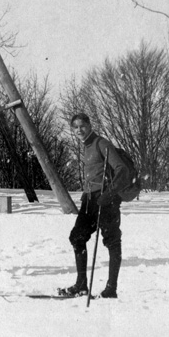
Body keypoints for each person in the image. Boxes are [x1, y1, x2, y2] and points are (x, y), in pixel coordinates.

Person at [60, 113, 131, 299]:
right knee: (77, 237)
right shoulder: (86, 147)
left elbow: (122, 170)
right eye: (75, 127)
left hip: (107, 199)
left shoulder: (102, 144)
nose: (79, 130)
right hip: (90, 199)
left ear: (90, 125)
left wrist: (109, 193)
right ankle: (81, 285)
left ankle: (111, 289)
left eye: (82, 126)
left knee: (112, 241)